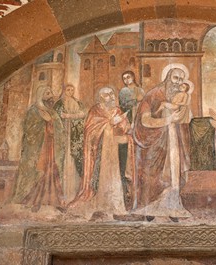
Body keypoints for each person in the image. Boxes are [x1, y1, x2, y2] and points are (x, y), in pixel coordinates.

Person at [133, 67, 192, 221]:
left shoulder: (180, 97)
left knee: (173, 175)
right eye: (175, 78)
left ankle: (172, 208)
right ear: (167, 78)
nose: (178, 82)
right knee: (153, 175)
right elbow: (145, 121)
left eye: (181, 79)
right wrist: (167, 120)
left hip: (173, 141)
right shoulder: (154, 94)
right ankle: (150, 209)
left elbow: (183, 120)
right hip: (155, 142)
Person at [71, 87, 130, 217]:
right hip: (99, 150)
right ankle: (99, 201)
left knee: (115, 174)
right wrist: (108, 123)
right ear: (101, 97)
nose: (111, 96)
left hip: (114, 151)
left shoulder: (117, 110)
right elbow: (89, 130)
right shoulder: (95, 110)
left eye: (112, 94)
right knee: (100, 175)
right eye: (107, 94)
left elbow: (126, 128)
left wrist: (120, 123)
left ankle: (114, 203)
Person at [12, 85, 65, 212]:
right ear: (41, 95)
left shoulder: (52, 112)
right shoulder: (33, 111)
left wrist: (52, 123)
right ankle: (33, 200)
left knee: (52, 173)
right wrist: (43, 124)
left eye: (51, 93)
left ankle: (53, 200)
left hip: (51, 148)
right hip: (39, 149)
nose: (50, 96)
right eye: (47, 93)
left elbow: (60, 128)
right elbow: (29, 130)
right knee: (39, 173)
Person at [53, 84, 86, 203]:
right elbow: (57, 117)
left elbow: (83, 115)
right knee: (63, 160)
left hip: (76, 136)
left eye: (72, 89)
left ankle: (74, 193)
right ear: (64, 90)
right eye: (68, 89)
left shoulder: (78, 102)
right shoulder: (59, 103)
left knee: (75, 159)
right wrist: (73, 116)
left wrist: (70, 116)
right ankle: (63, 194)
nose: (70, 91)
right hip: (64, 135)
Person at [118, 71, 144, 208]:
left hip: (139, 119)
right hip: (128, 118)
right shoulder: (123, 91)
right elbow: (123, 105)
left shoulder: (140, 89)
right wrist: (136, 100)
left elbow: (145, 103)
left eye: (128, 77)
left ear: (133, 77)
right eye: (124, 78)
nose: (126, 80)